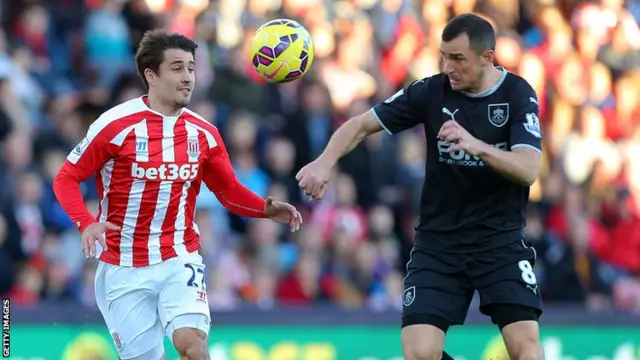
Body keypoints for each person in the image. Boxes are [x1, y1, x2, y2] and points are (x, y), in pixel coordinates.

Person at [296, 13, 543, 360]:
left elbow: (529, 168)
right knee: (418, 353)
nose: (448, 66)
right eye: (443, 55)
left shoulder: (517, 94)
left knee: (526, 351)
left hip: (499, 242)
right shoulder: (430, 91)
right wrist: (324, 162)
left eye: (458, 58)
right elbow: (362, 125)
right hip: (439, 243)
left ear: (487, 57)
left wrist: (477, 146)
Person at [53, 30, 303, 360]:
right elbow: (66, 177)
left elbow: (227, 190)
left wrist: (265, 209)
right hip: (123, 266)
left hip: (178, 256)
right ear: (151, 75)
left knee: (195, 347)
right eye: (177, 68)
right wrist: (85, 222)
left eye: (191, 68)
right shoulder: (115, 126)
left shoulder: (204, 133)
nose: (187, 77)